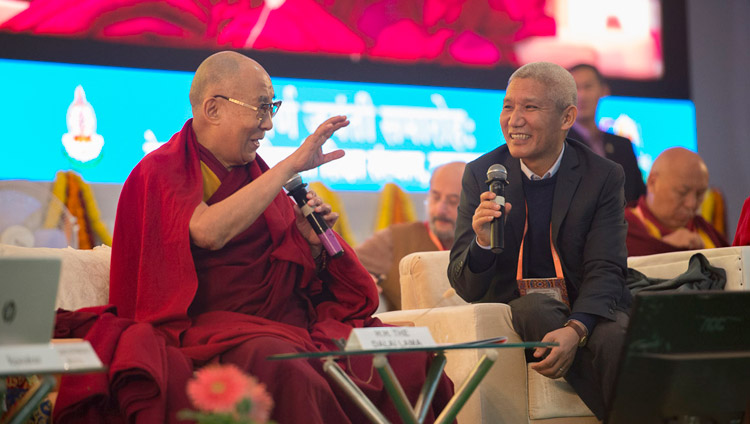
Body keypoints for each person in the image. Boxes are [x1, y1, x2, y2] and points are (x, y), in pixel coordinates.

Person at [53, 51, 452, 424]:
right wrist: (290, 166)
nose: (269, 124)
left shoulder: (256, 178)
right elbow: (208, 232)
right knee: (283, 365)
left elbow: (287, 276)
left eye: (271, 108)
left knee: (406, 357)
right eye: (262, 107)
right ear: (213, 108)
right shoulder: (160, 170)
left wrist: (308, 245)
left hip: (283, 323)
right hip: (204, 328)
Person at [448, 62, 632, 419]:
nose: (514, 120)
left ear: (567, 118)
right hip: (525, 309)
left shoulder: (603, 176)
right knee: (535, 308)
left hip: (586, 306)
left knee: (615, 334)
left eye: (530, 107)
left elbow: (606, 266)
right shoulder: (482, 174)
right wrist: (482, 244)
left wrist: (576, 329)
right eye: (508, 106)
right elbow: (466, 287)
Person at [356, 161, 465, 310]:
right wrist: (360, 282)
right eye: (435, 197)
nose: (440, 209)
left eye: (453, 201)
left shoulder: (487, 245)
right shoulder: (396, 240)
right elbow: (341, 267)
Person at [625, 147, 728, 256]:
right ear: (652, 182)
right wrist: (665, 248)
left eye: (700, 194)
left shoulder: (705, 231)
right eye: (682, 192)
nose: (692, 204)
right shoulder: (621, 231)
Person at [568, 63, 646, 204]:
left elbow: (638, 196)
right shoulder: (559, 145)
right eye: (575, 88)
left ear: (604, 91)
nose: (582, 95)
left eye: (588, 87)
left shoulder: (623, 145)